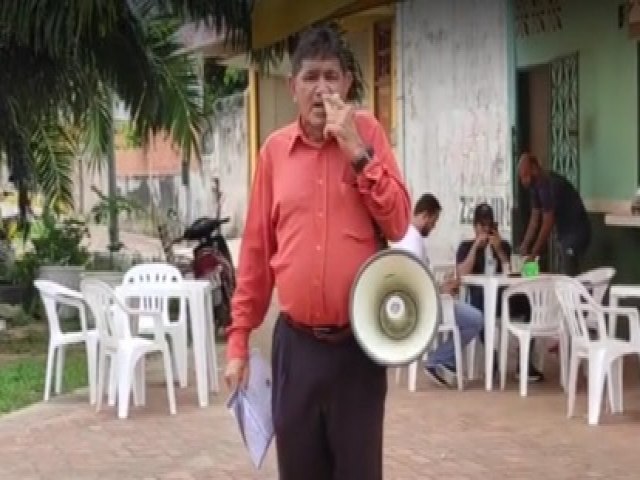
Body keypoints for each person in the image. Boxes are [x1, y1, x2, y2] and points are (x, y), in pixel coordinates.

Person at [224, 25, 411, 480]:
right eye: (310, 77)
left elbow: (399, 221)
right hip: (298, 348)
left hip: (357, 348)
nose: (322, 88)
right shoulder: (274, 153)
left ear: (346, 84)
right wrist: (238, 341)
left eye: (331, 76)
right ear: (293, 88)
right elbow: (255, 253)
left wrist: (358, 153)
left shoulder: (368, 134)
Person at [394, 193, 483, 388]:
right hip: (423, 306)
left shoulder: (404, 237)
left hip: (411, 302)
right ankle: (439, 360)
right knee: (475, 319)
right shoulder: (414, 243)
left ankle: (445, 361)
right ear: (425, 216)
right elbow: (417, 285)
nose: (433, 228)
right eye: (433, 222)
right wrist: (442, 289)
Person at [456, 203, 543, 382]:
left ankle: (524, 361)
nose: (486, 230)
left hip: (502, 298)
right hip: (479, 298)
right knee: (479, 306)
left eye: (489, 226)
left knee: (529, 305)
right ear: (475, 226)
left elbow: (512, 272)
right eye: (482, 225)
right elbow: (462, 273)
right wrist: (475, 248)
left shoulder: (504, 246)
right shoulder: (466, 246)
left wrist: (500, 251)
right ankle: (491, 355)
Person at [517, 152, 591, 276]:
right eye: (521, 177)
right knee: (559, 270)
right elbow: (535, 218)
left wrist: (534, 253)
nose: (523, 181)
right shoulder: (535, 187)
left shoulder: (551, 185)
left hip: (576, 231)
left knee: (569, 271)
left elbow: (548, 222)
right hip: (563, 233)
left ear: (534, 168)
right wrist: (525, 244)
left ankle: (576, 293)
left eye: (525, 175)